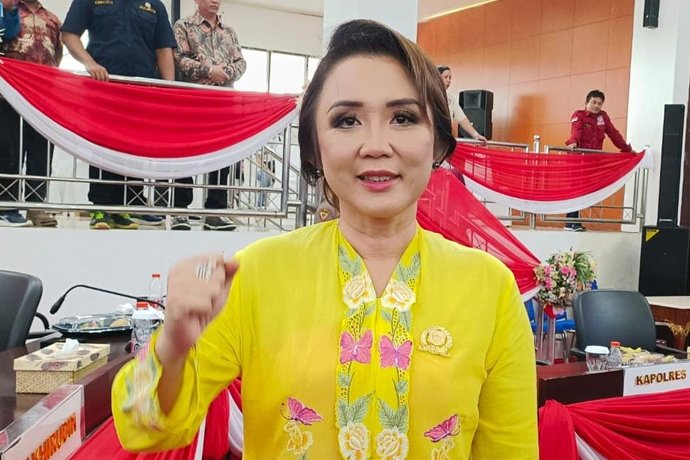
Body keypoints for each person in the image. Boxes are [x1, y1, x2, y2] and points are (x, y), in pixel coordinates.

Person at [111, 20, 537, 459]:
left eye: (403, 118)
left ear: (438, 142)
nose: (375, 145)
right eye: (347, 121)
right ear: (314, 147)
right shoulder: (257, 274)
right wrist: (173, 344)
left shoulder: (490, 289)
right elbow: (144, 430)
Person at [61, 0, 177, 230]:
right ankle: (101, 207)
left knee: (134, 148)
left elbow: (164, 49)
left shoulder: (155, 5)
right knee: (103, 147)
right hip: (103, 89)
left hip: (141, 93)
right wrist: (89, 63)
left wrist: (169, 90)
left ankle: (126, 207)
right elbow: (69, 34)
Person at [167, 0, 246, 231]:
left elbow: (241, 62)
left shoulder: (229, 31)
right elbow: (179, 58)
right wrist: (209, 71)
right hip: (192, 103)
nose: (215, 1)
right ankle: (180, 210)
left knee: (222, 158)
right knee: (185, 155)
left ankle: (215, 212)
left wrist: (226, 73)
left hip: (222, 104)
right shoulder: (184, 26)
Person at [0, 0, 61, 227]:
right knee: (8, 151)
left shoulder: (52, 20)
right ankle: (6, 206)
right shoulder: (7, 12)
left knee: (41, 154)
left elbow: (56, 56)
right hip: (10, 96)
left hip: (44, 99)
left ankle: (37, 206)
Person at [564, 89, 633, 231]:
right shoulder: (579, 115)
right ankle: (571, 222)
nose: (596, 106)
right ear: (586, 103)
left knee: (585, 191)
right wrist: (573, 142)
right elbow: (576, 131)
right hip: (578, 161)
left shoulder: (603, 117)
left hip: (592, 163)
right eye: (594, 102)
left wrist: (626, 149)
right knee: (576, 189)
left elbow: (614, 134)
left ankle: (572, 222)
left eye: (599, 103)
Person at [437, 65, 487, 142]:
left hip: (445, 139)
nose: (448, 80)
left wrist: (475, 134)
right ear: (437, 78)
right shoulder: (427, 96)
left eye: (450, 78)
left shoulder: (451, 98)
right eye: (445, 77)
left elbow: (461, 118)